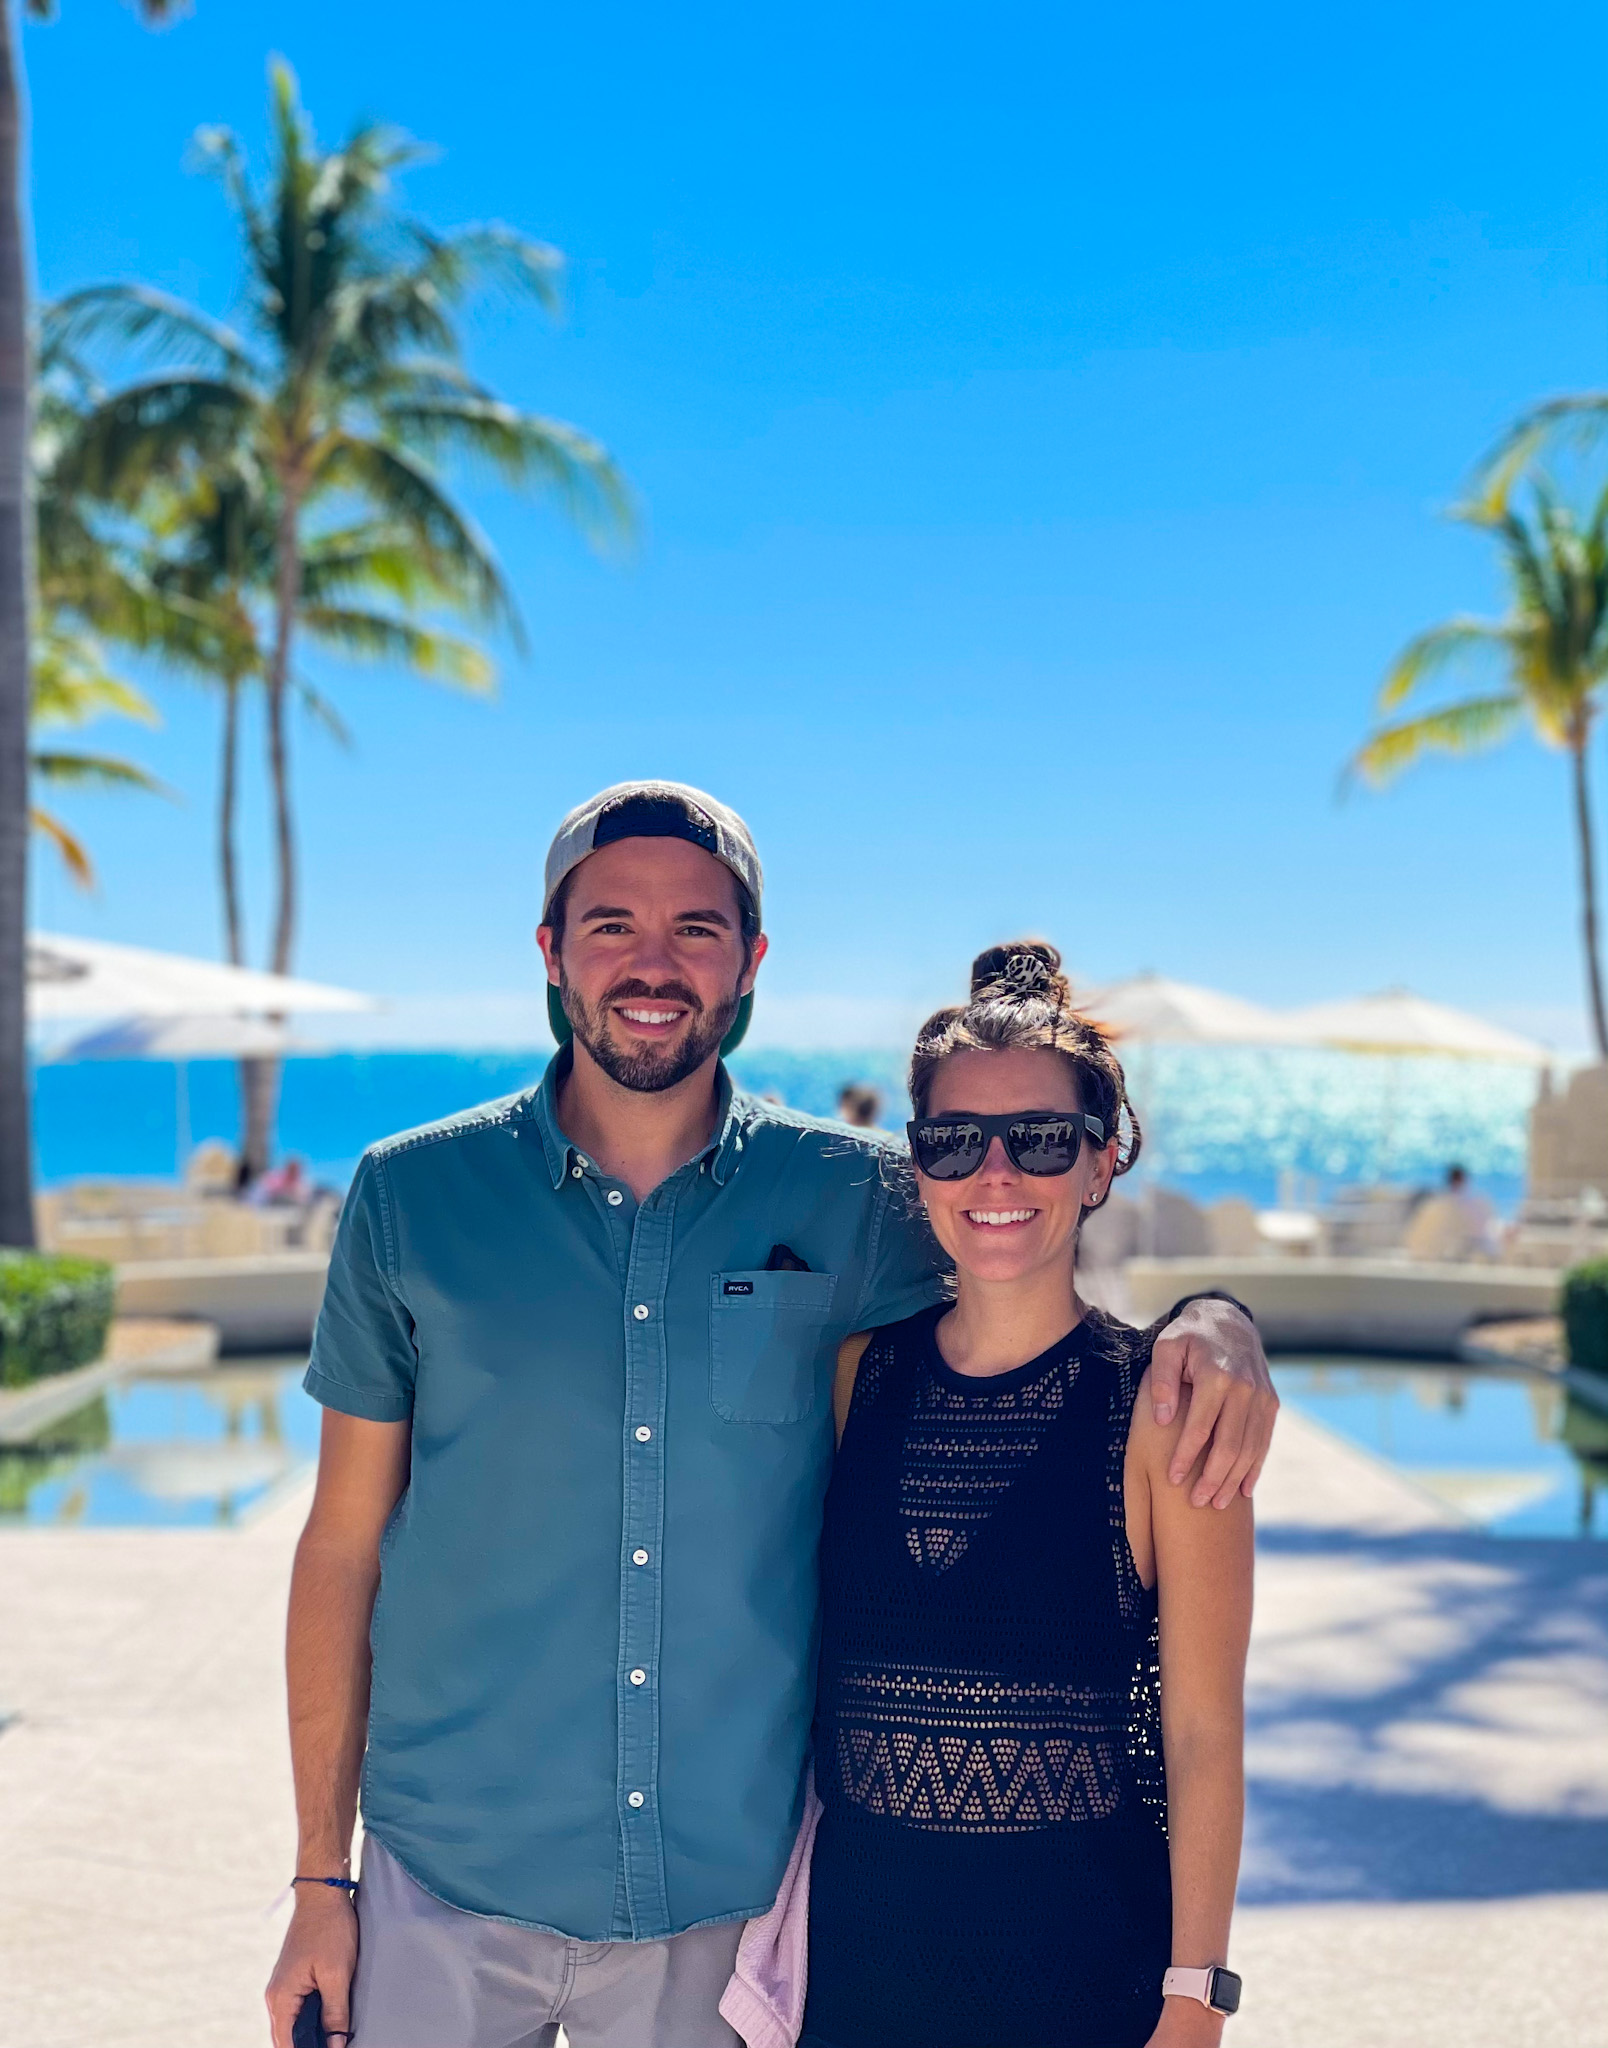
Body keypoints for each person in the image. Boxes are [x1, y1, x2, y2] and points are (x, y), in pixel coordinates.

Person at [265, 781, 1276, 2048]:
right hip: (443, 1880)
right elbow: (342, 1547)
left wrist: (1217, 1316)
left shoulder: (858, 1196)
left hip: (721, 1912)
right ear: (550, 949)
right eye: (612, 923)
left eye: (697, 927)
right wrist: (320, 1876)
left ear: (750, 961)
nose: (653, 962)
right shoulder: (409, 1197)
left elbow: (1023, 1262)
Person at [801, 942, 1253, 2048]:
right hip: (854, 1986)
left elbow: (1202, 1731)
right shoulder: (854, 1378)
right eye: (954, 1140)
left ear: (1099, 1164)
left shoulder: (1164, 1408)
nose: (994, 1174)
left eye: (1041, 1138)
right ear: (919, 1167)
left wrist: (1196, 1995)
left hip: (1085, 1989)